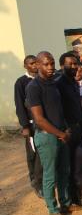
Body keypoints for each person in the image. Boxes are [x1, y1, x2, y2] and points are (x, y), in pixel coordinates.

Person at [26, 52, 74, 215]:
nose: (50, 67)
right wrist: (60, 134)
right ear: (37, 65)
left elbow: (58, 110)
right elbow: (39, 118)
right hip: (47, 137)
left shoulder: (53, 84)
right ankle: (53, 210)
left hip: (61, 134)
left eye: (52, 63)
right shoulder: (34, 87)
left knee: (64, 172)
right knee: (50, 175)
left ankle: (65, 203)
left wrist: (65, 129)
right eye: (46, 64)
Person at [57, 52, 82, 206]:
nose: (74, 67)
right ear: (62, 65)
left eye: (76, 64)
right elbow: (57, 110)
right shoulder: (58, 84)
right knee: (66, 166)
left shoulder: (73, 82)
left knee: (77, 162)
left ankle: (77, 195)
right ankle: (67, 201)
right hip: (67, 131)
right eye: (71, 64)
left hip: (77, 127)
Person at [14, 55, 43, 198]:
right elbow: (20, 105)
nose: (34, 66)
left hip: (44, 123)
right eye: (31, 64)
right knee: (33, 154)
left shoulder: (41, 80)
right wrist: (25, 126)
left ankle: (44, 179)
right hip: (31, 125)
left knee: (43, 153)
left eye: (36, 63)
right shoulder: (21, 82)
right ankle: (36, 181)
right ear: (25, 66)